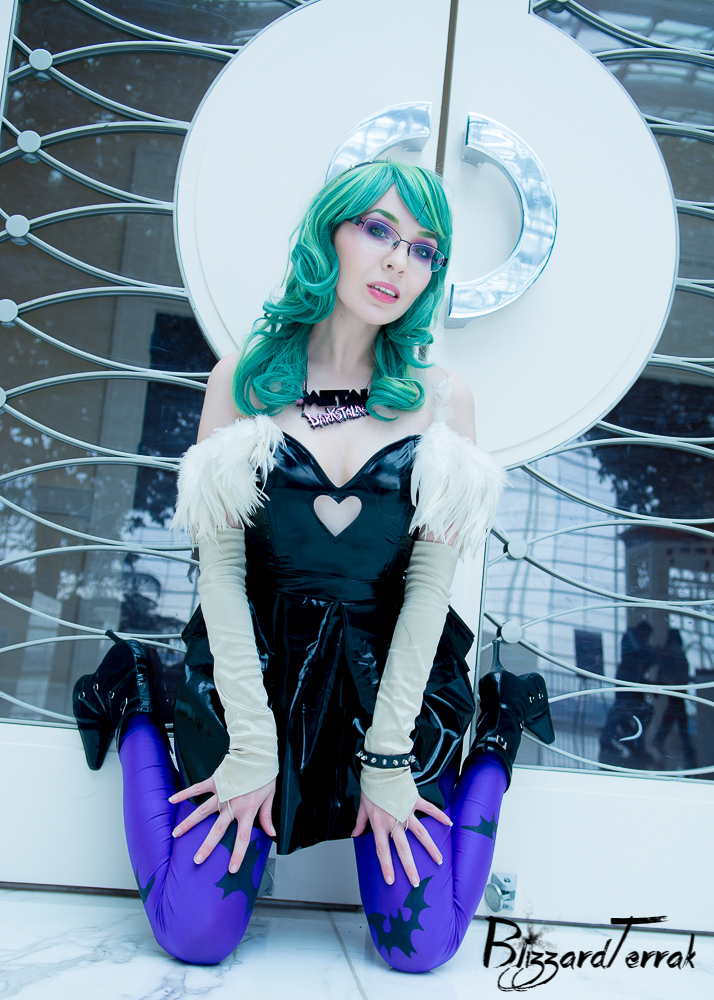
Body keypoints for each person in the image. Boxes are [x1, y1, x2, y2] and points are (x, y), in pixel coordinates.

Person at [73, 160, 554, 972]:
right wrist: (251, 740)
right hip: (255, 669)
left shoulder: (444, 400)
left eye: (424, 249)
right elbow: (220, 575)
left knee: (419, 945)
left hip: (390, 681)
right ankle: (139, 699)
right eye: (379, 230)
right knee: (194, 934)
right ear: (330, 233)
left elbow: (429, 591)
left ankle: (499, 730)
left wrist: (391, 754)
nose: (399, 261)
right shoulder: (243, 382)